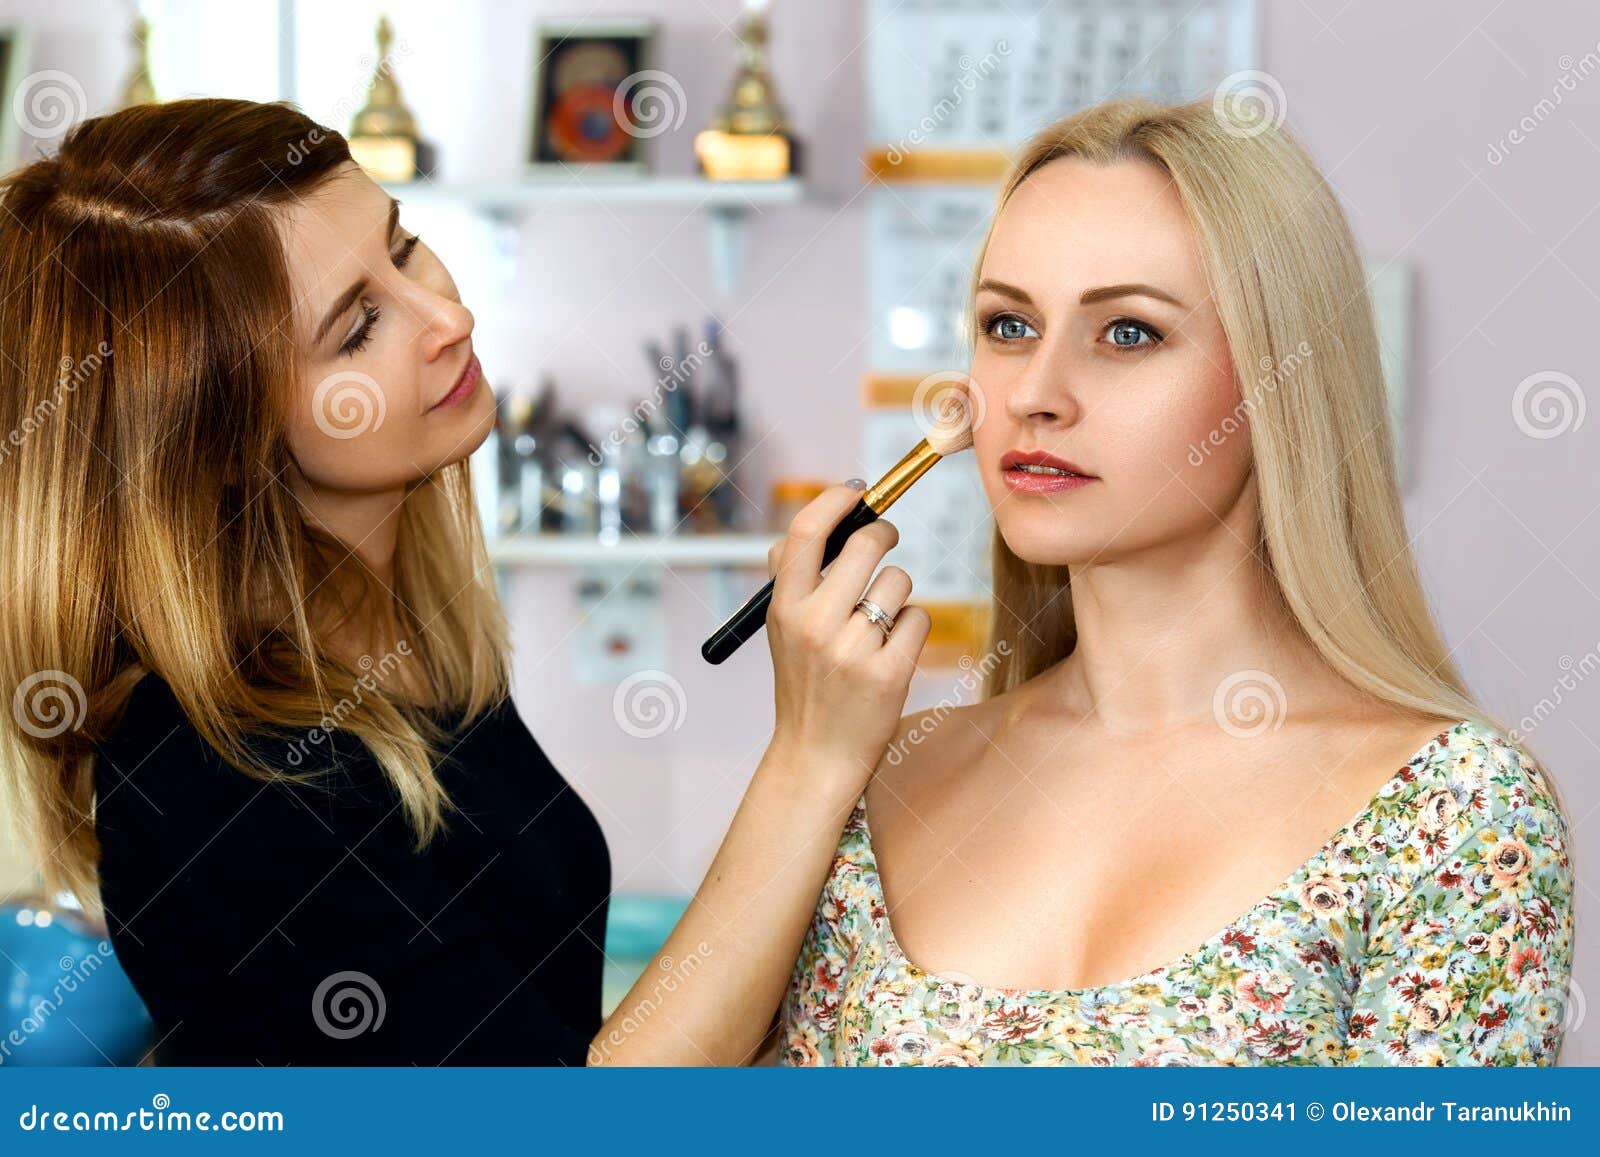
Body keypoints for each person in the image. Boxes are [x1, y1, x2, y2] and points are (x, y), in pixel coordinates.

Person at [0, 99, 609, 1064]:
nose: (450, 318)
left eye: (403, 249)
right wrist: (810, 758)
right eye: (358, 326)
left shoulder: (404, 643)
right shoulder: (213, 779)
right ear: (215, 440)